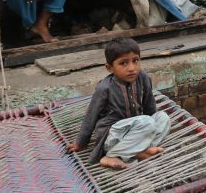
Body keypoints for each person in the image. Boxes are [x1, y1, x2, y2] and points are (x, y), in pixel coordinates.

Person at [66, 38, 170, 170]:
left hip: (136, 131)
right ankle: (111, 156)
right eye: (123, 63)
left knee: (162, 117)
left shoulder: (143, 78)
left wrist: (152, 125)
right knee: (147, 122)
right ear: (110, 68)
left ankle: (142, 150)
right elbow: (91, 115)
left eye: (135, 60)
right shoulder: (105, 88)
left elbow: (149, 106)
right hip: (113, 136)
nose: (132, 68)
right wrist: (81, 142)